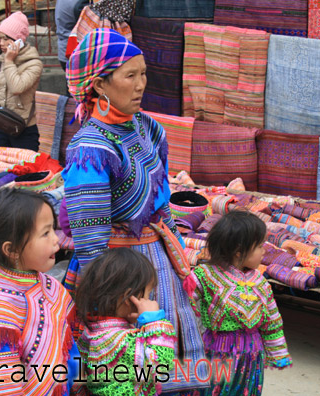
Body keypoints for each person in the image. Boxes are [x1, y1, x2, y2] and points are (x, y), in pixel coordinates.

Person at [60, 28, 208, 393]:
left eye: (143, 73)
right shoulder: (90, 149)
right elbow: (90, 241)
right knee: (130, 369)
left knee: (173, 357)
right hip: (119, 273)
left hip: (157, 262)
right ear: (99, 85)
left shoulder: (149, 128)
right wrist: (111, 302)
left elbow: (162, 200)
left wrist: (178, 249)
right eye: (130, 75)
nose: (141, 84)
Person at [0, 188, 81, 396]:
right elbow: (2, 384)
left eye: (53, 229)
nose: (57, 240)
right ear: (12, 250)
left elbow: (68, 343)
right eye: (45, 233)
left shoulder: (51, 286)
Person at [183, 210, 292, 396]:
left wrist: (277, 352)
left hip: (251, 356)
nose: (264, 251)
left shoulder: (260, 282)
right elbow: (189, 311)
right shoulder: (204, 276)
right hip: (215, 352)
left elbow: (272, 321)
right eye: (259, 246)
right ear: (238, 251)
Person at [76, 247, 176, 395]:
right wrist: (155, 321)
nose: (150, 300)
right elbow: (161, 364)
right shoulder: (123, 340)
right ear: (130, 298)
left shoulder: (91, 333)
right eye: (148, 294)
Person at [0, 11, 43, 152]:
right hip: (1, 126)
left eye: (5, 39)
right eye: (0, 38)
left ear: (18, 40)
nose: (1, 43)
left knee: (25, 172)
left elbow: (17, 87)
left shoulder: (33, 63)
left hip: (23, 129)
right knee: (5, 172)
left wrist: (9, 61)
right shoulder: (0, 60)